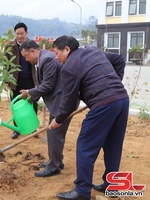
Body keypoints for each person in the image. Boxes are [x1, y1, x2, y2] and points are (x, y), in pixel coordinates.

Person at [49, 35, 129, 200]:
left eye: (57, 53)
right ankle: (112, 186)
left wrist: (57, 120)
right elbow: (119, 60)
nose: (56, 57)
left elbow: (69, 102)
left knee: (85, 145)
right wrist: (113, 83)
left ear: (67, 49)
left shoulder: (68, 67)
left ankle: (82, 190)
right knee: (113, 145)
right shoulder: (93, 51)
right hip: (121, 99)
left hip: (104, 104)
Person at [19, 40, 77, 177]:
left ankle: (54, 167)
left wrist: (29, 92)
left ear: (33, 51)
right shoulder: (42, 60)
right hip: (60, 101)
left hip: (63, 102)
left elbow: (47, 85)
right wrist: (32, 97)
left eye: (26, 56)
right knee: (55, 134)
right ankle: (56, 161)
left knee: (55, 134)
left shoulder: (47, 60)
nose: (26, 60)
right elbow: (42, 83)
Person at [4, 22, 37, 139]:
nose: (19, 36)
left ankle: (32, 128)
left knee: (32, 103)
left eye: (21, 34)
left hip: (30, 80)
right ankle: (17, 129)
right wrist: (6, 79)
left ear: (26, 33)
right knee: (15, 105)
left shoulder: (32, 45)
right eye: (17, 34)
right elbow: (5, 64)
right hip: (15, 81)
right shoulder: (9, 47)